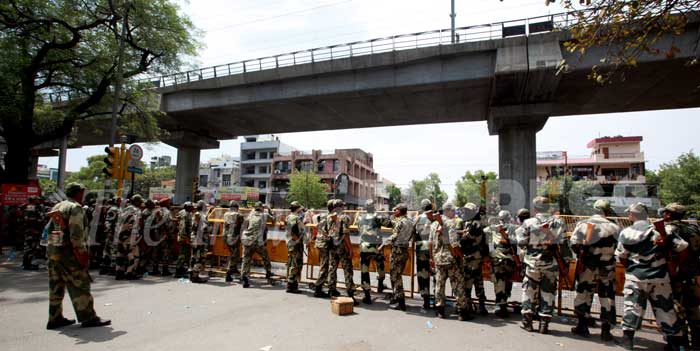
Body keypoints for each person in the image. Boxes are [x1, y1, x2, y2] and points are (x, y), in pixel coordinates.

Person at [617, 202, 687, 350]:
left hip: (636, 277)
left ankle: (628, 341)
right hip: (660, 276)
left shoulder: (627, 232)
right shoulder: (663, 231)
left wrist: (633, 267)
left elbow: (622, 256)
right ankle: (673, 343)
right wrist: (672, 263)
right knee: (666, 310)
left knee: (632, 308)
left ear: (633, 215)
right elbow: (682, 247)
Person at [45, 182, 110, 329]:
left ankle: (55, 318)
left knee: (56, 287)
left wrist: (55, 250)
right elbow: (76, 236)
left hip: (54, 252)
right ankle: (88, 317)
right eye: (83, 192)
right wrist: (81, 254)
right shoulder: (75, 208)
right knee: (80, 285)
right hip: (69, 255)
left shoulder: (58, 206)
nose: (84, 194)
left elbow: (51, 230)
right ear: (78, 193)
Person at [569, 199, 620, 341]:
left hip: (587, 266)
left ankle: (582, 326)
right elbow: (619, 248)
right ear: (607, 210)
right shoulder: (614, 227)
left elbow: (574, 244)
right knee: (607, 297)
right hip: (607, 266)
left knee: (583, 294)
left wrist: (584, 250)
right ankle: (606, 330)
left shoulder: (583, 224)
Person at [517, 196, 565, 334]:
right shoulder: (558, 222)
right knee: (548, 293)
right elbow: (562, 242)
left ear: (535, 208)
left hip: (532, 263)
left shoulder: (528, 223)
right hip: (550, 264)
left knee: (529, 292)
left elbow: (521, 242)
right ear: (548, 207)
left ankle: (527, 322)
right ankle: (544, 325)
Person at [661, 203, 700, 348]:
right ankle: (697, 341)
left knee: (676, 309)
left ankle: (681, 343)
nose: (663, 214)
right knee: (693, 309)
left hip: (675, 275)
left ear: (669, 214)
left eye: (665, 212)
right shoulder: (694, 228)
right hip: (692, 274)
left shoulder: (669, 229)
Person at [430, 203, 468, 320]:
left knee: (439, 285)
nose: (455, 214)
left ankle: (440, 310)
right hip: (451, 259)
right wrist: (461, 257)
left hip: (438, 259)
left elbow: (430, 243)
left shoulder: (433, 224)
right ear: (448, 211)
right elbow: (454, 244)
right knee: (458, 285)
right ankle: (462, 312)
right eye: (453, 211)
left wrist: (432, 258)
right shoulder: (450, 223)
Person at [484, 210, 519, 318]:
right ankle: (504, 302)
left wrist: (491, 253)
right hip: (510, 261)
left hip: (497, 260)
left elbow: (488, 241)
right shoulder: (515, 228)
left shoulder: (491, 228)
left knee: (499, 282)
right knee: (508, 281)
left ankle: (500, 305)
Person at [356, 199, 390, 304]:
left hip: (364, 246)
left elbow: (359, 229)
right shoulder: (377, 217)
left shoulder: (360, 217)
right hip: (375, 247)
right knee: (380, 265)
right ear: (373, 207)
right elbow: (389, 224)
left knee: (364, 271)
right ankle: (380, 285)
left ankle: (367, 296)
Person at [459, 202, 488, 318]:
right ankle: (481, 306)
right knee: (478, 281)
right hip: (476, 256)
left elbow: (465, 239)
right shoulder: (471, 222)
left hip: (472, 257)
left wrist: (457, 233)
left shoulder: (475, 224)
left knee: (468, 282)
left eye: (467, 211)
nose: (464, 212)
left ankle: (468, 306)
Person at [327, 199, 357, 304]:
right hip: (341, 246)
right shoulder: (344, 217)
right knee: (347, 269)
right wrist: (350, 249)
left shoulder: (329, 217)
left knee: (332, 267)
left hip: (332, 245)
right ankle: (350, 293)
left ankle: (331, 290)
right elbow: (346, 234)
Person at [385, 203, 414, 311]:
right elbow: (412, 235)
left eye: (395, 210)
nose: (394, 211)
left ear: (399, 211)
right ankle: (397, 297)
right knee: (398, 275)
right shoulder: (410, 221)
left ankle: (401, 303)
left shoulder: (400, 222)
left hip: (397, 250)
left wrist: (384, 243)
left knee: (396, 276)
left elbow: (394, 235)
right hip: (405, 250)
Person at [240, 201, 274, 288]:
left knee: (246, 259)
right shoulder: (264, 215)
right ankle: (268, 273)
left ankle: (245, 278)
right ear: (262, 208)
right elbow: (273, 219)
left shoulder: (250, 214)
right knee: (265, 257)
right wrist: (269, 209)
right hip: (258, 242)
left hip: (247, 240)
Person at [115, 195, 144, 280]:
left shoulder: (124, 209)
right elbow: (135, 224)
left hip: (120, 235)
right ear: (136, 202)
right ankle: (130, 272)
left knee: (120, 254)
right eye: (140, 202)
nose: (141, 203)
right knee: (134, 255)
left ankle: (119, 273)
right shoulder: (136, 211)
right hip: (129, 236)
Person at [414, 199, 436, 310]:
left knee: (423, 274)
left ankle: (426, 300)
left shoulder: (418, 218)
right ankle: (438, 299)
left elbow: (412, 231)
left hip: (421, 249)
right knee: (436, 274)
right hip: (433, 249)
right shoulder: (434, 218)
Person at [309, 200, 335, 298]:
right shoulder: (331, 217)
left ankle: (321, 286)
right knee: (324, 267)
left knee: (323, 265)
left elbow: (317, 226)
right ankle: (318, 288)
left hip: (320, 242)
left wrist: (322, 233)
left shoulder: (324, 215)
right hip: (324, 244)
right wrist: (327, 235)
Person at [285, 201, 306, 293]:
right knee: (296, 264)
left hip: (290, 243)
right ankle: (290, 285)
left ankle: (293, 284)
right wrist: (297, 240)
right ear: (297, 208)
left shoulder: (288, 217)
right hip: (295, 244)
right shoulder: (296, 218)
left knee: (293, 262)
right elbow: (293, 230)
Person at [190, 200, 211, 283]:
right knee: (200, 258)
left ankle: (192, 275)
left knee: (194, 256)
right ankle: (195, 276)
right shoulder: (203, 215)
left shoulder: (194, 214)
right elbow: (205, 228)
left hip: (194, 238)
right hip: (201, 239)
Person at [223, 201, 244, 283]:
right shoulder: (239, 215)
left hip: (226, 237)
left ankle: (234, 270)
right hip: (235, 238)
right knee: (235, 256)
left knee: (233, 254)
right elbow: (244, 224)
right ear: (236, 207)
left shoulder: (226, 214)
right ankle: (229, 272)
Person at [99, 197, 121, 276]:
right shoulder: (114, 209)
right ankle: (111, 268)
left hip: (112, 233)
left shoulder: (115, 209)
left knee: (107, 251)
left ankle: (104, 268)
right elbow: (108, 222)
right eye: (119, 201)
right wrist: (110, 232)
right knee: (112, 250)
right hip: (112, 233)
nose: (120, 202)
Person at [22, 196, 43, 270]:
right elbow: (30, 219)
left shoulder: (33, 207)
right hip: (32, 231)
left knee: (30, 247)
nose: (38, 200)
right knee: (30, 248)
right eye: (37, 199)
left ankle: (26, 264)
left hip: (32, 230)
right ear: (34, 200)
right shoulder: (31, 207)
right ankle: (27, 265)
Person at [174, 202, 195, 278]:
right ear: (188, 207)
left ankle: (181, 269)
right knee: (182, 254)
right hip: (184, 237)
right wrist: (186, 239)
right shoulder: (185, 214)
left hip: (184, 237)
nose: (193, 208)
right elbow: (183, 228)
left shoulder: (183, 213)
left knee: (185, 254)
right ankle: (178, 271)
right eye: (191, 207)